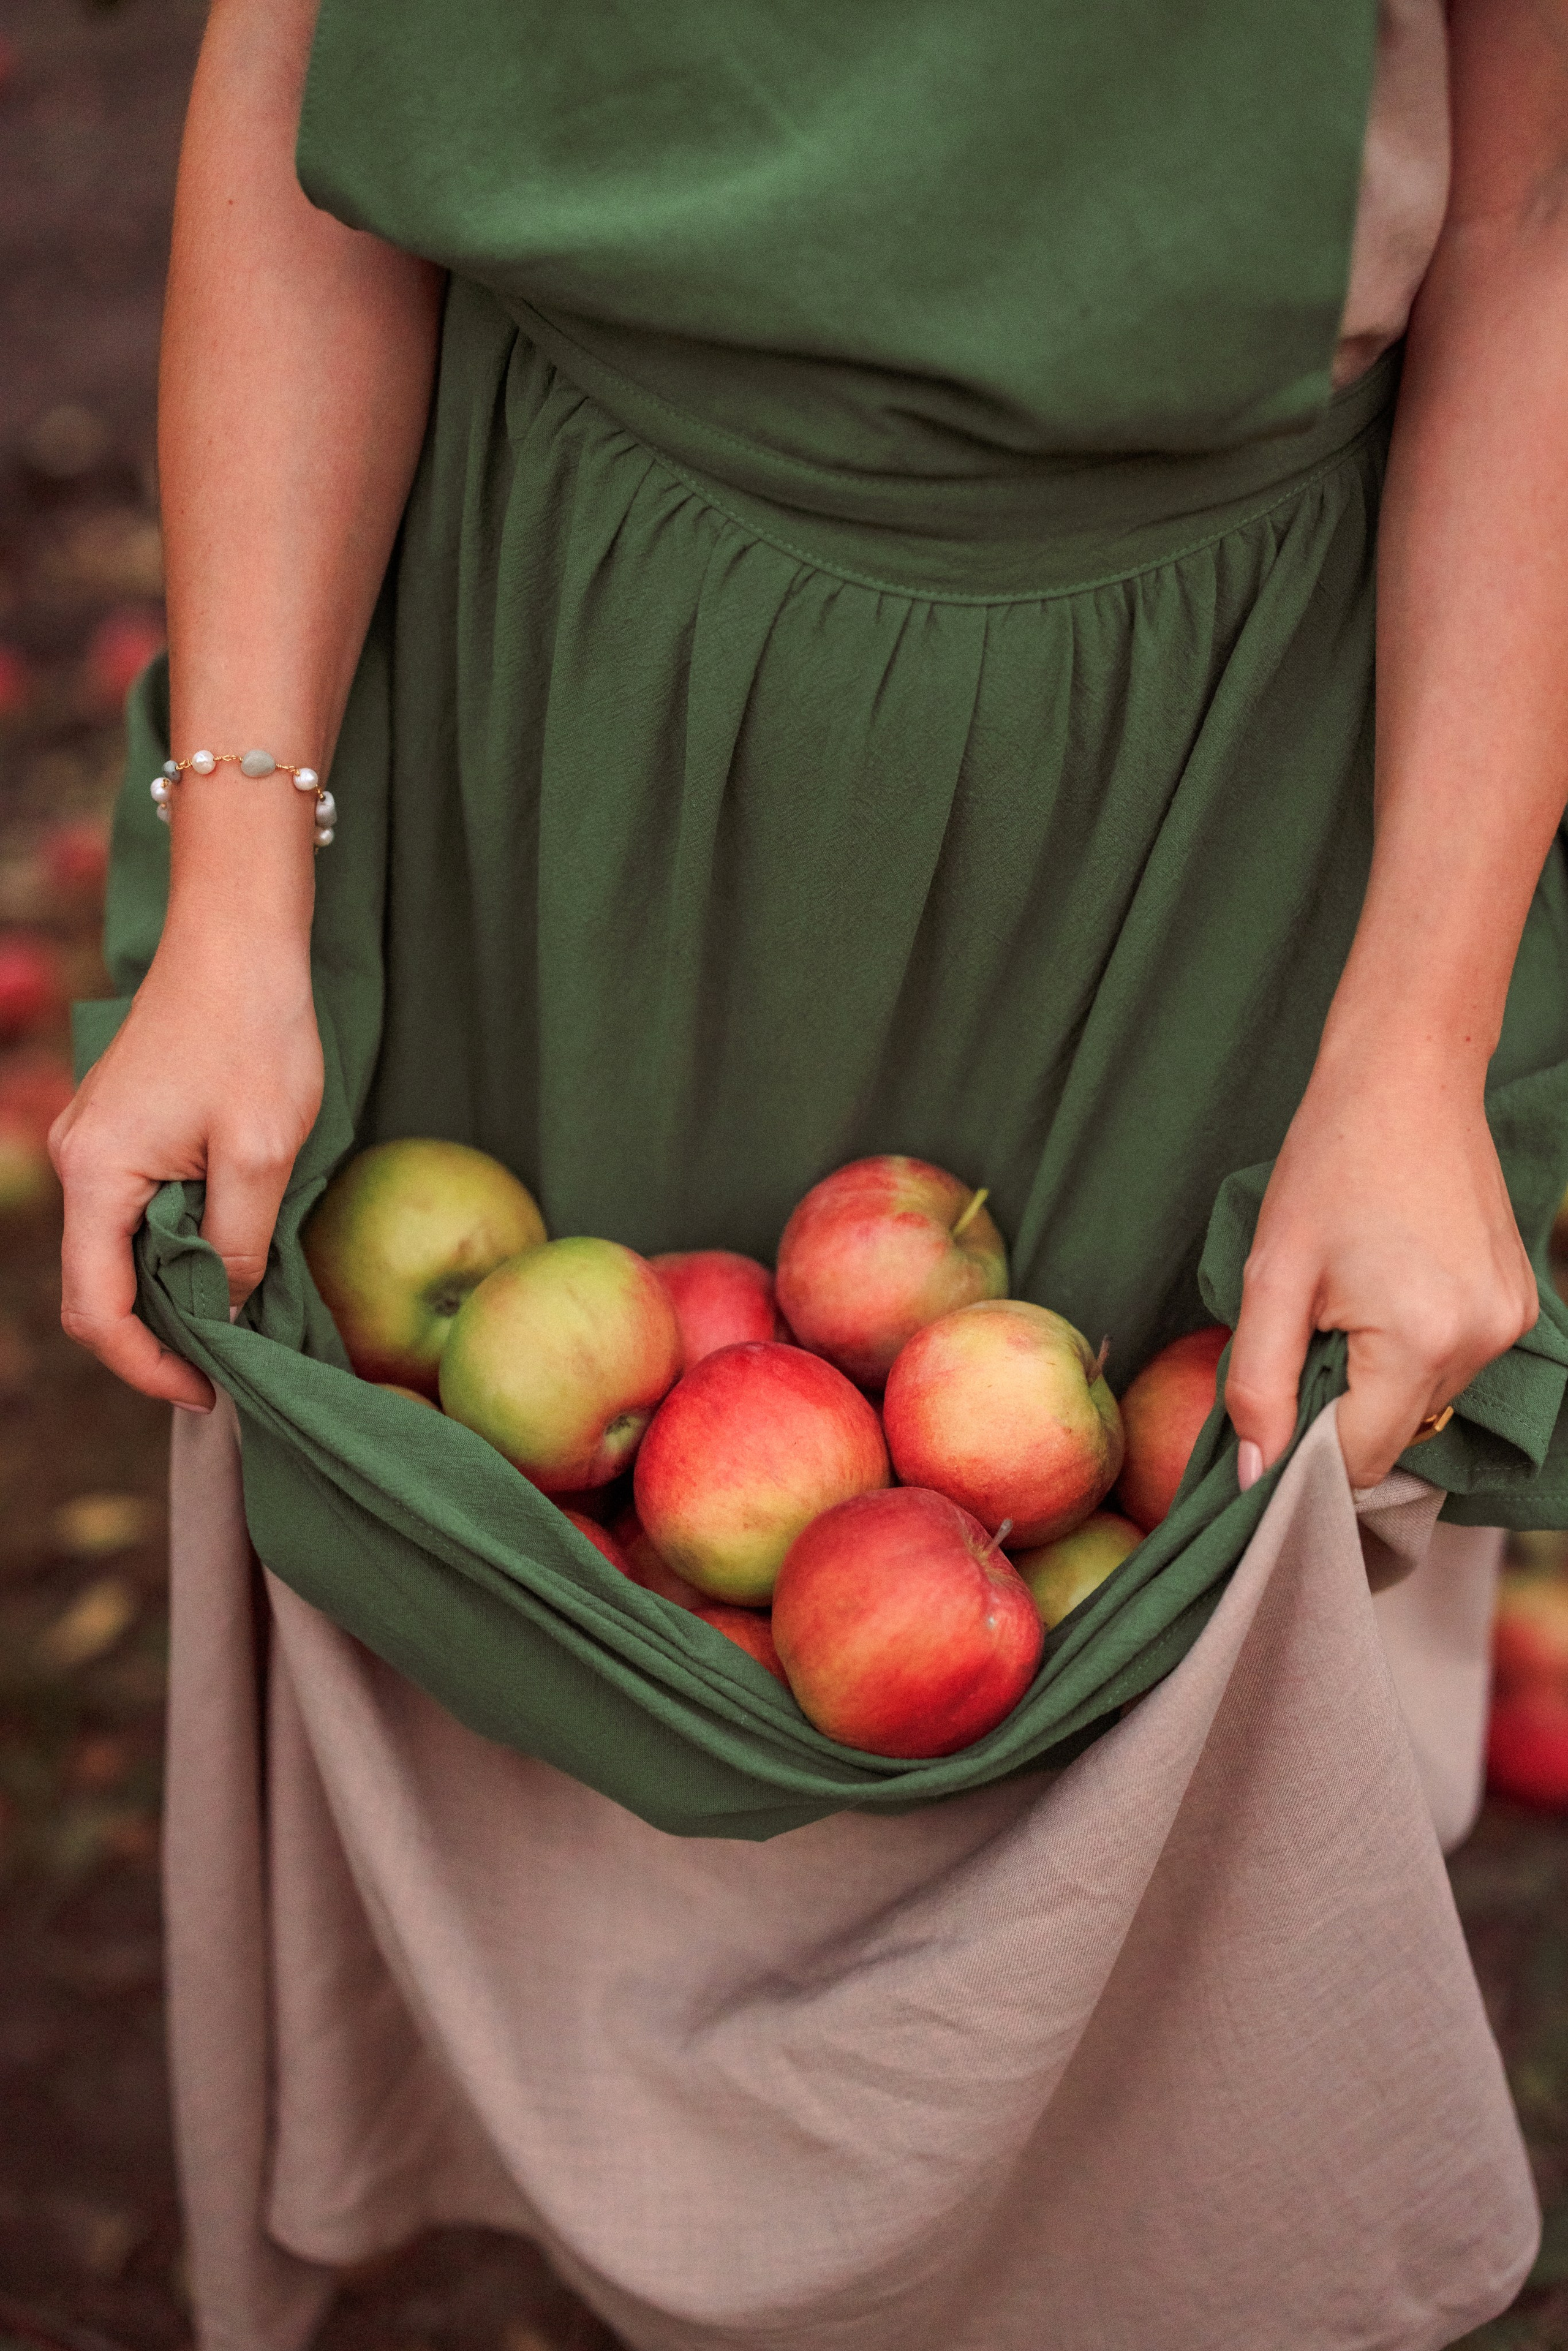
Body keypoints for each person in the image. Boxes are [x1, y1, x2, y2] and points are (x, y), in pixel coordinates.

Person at [46, 0, 1568, 2343]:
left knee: (1150, 1686)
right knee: (548, 1658)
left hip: (1178, 770)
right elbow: (300, 75)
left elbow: (1537, 207)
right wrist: (243, 888)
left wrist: (1421, 1027)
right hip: (555, 691)